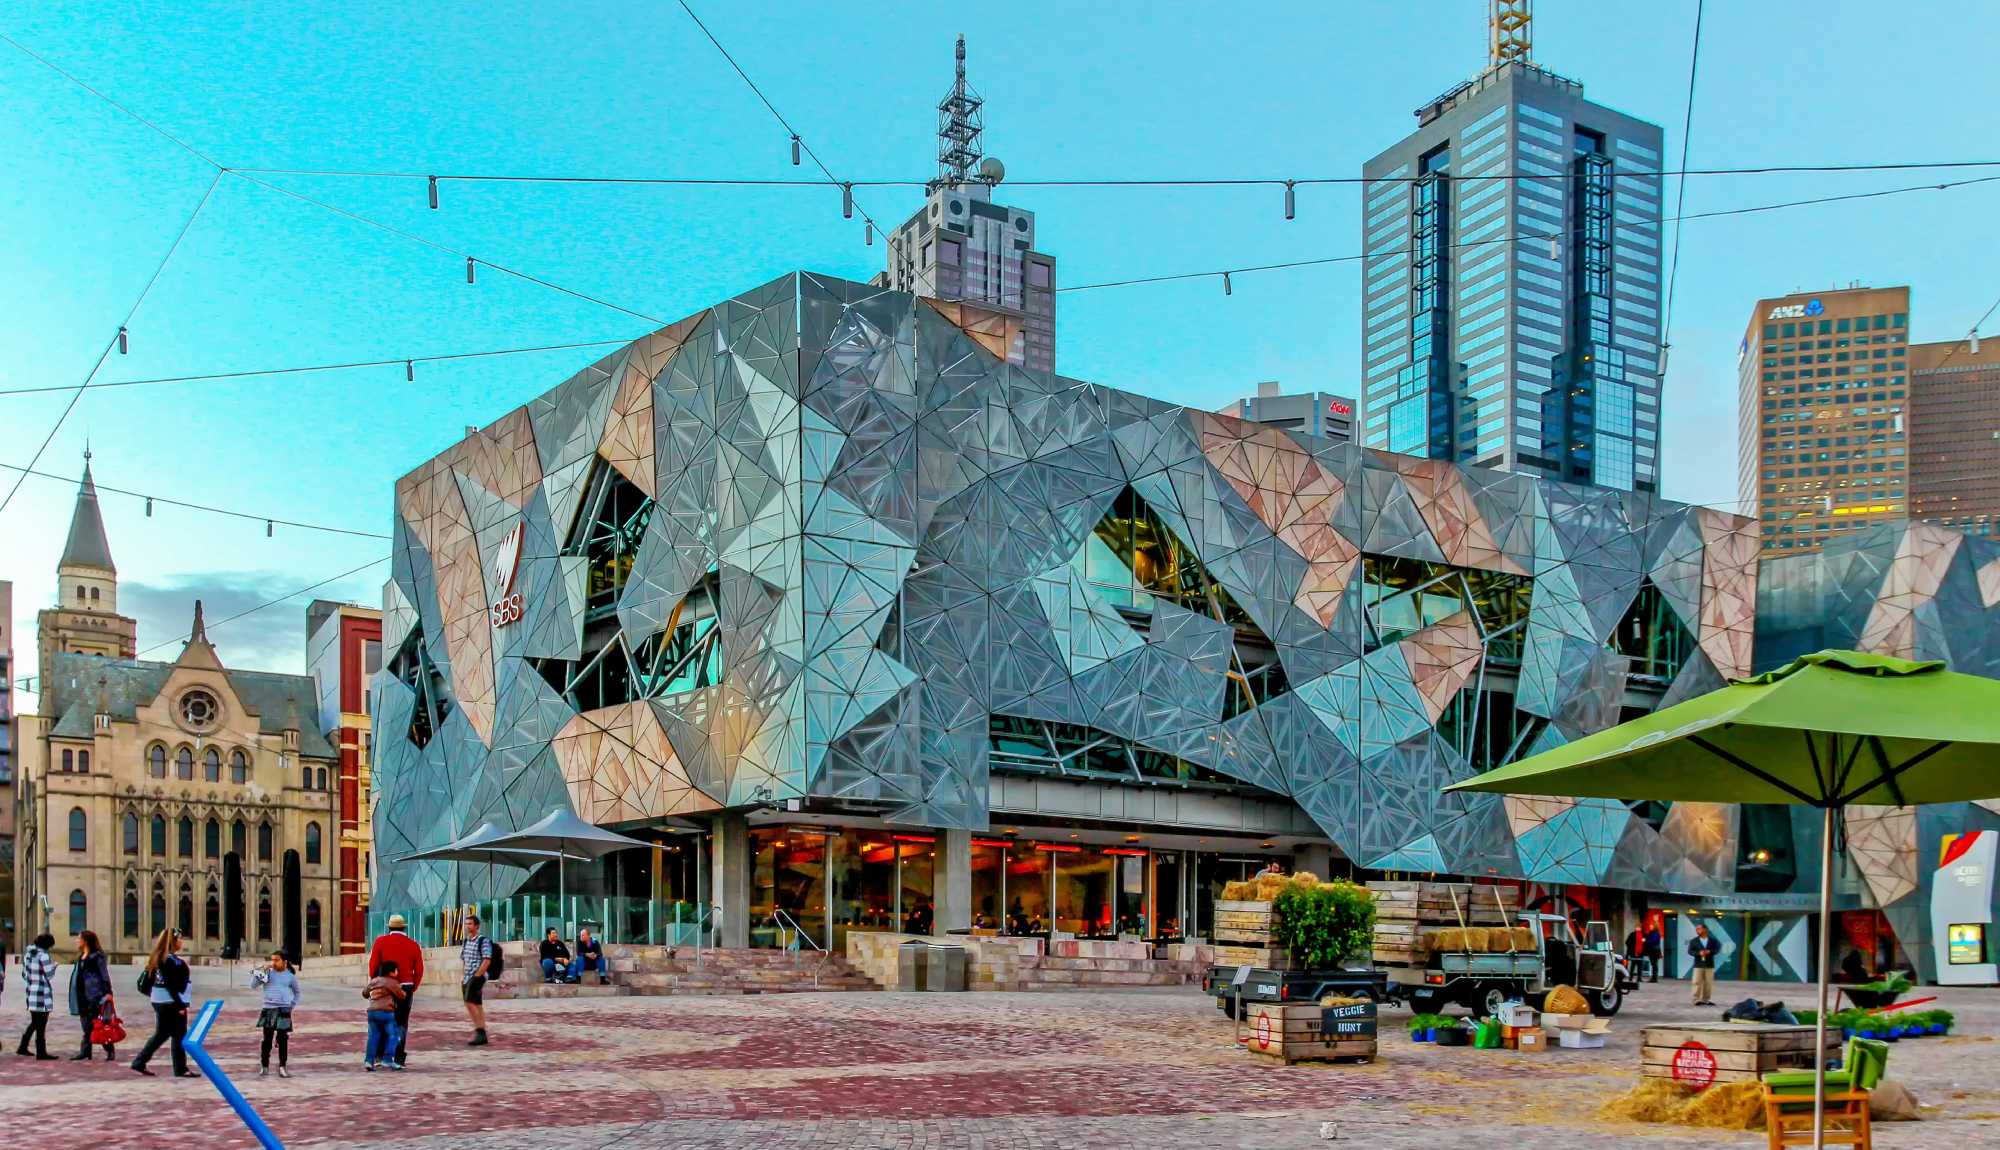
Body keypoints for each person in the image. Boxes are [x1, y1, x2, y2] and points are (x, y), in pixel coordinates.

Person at [131, 928, 197, 1077]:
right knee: (176, 1034)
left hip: (160, 1000)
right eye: (180, 939)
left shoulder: (158, 957)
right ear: (173, 941)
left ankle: (142, 1061)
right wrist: (180, 1005)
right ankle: (179, 1068)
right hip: (170, 1002)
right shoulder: (169, 960)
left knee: (165, 1033)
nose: (182, 942)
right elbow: (172, 985)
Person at [367, 913, 425, 1069]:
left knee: (382, 1020)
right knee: (401, 1022)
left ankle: (380, 1056)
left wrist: (375, 983)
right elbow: (419, 970)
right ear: (404, 928)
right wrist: (413, 987)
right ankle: (398, 1057)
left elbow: (373, 965)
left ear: (390, 927)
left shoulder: (380, 942)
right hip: (405, 986)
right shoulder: (413, 945)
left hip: (384, 986)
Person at [251, 949, 300, 1077]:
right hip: (269, 1009)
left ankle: (282, 1066)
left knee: (283, 1039)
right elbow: (253, 985)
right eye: (272, 960)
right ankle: (264, 1066)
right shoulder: (267, 973)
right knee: (267, 1040)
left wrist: (292, 1005)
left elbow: (297, 992)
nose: (273, 962)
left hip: (284, 1009)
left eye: (276, 960)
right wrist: (262, 970)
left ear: (284, 961)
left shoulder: (290, 976)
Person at [69, 930, 116, 1061]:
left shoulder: (97, 956)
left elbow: (104, 975)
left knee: (99, 1025)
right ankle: (85, 1051)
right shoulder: (81, 956)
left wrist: (108, 992)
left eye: (79, 938)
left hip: (95, 995)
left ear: (86, 941)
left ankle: (109, 1049)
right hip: (82, 995)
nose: (77, 941)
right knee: (86, 1025)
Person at [15, 932, 57, 1060]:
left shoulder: (28, 954)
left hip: (31, 992)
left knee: (35, 1022)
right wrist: (54, 966)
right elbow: (49, 975)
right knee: (41, 1024)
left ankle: (23, 1046)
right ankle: (41, 1052)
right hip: (42, 993)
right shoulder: (43, 955)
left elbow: (24, 974)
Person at [362, 959, 407, 1070]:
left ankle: (368, 1061)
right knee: (394, 1035)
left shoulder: (374, 981)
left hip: (372, 1012)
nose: (398, 972)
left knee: (373, 1036)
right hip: (386, 1012)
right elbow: (402, 996)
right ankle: (387, 1059)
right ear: (391, 972)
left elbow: (364, 993)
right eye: (396, 970)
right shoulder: (392, 982)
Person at [460, 912, 493, 1046]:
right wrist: (464, 976)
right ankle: (482, 1032)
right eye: (466, 924)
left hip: (477, 975)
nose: (468, 926)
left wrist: (478, 975)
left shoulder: (483, 940)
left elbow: (487, 959)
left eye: (470, 924)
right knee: (477, 1003)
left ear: (477, 926)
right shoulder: (466, 941)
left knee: (469, 1001)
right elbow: (464, 959)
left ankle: (479, 1030)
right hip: (467, 976)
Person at [1687, 923, 1723, 1007]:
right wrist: (1698, 953)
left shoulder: (1713, 940)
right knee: (1696, 982)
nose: (1697, 931)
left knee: (1708, 983)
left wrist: (1710, 952)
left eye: (1699, 929)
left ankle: (1706, 1000)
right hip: (1698, 964)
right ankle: (1695, 1000)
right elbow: (1690, 951)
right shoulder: (1694, 941)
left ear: (1705, 930)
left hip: (1709, 964)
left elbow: (1717, 949)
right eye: (1697, 929)